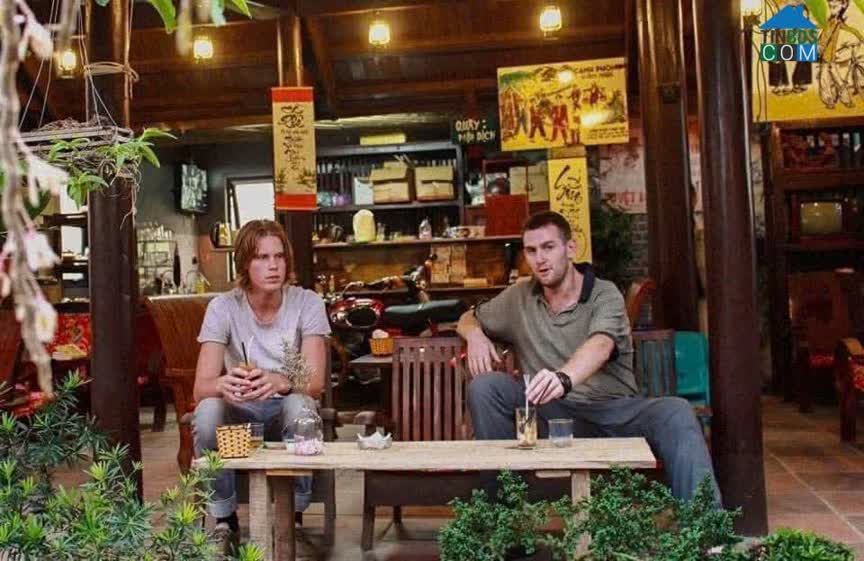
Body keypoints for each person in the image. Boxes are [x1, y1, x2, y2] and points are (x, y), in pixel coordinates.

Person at [457, 211, 719, 503]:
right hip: (554, 418)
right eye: (531, 250)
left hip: (614, 414)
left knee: (676, 411)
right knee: (486, 387)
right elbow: (468, 316)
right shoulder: (519, 297)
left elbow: (601, 344)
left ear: (570, 248)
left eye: (548, 247)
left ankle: (704, 526)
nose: (540, 259)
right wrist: (475, 334)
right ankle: (503, 515)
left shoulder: (604, 294)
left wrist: (563, 378)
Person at [192, 219, 331, 543]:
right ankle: (225, 518)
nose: (273, 266)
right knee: (208, 410)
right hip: (240, 417)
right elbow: (201, 387)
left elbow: (314, 383)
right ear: (244, 263)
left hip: (285, 410)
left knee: (300, 405)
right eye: (262, 257)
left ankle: (292, 513)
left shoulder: (307, 302)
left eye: (279, 256)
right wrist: (223, 384)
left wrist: (280, 381)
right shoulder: (223, 307)